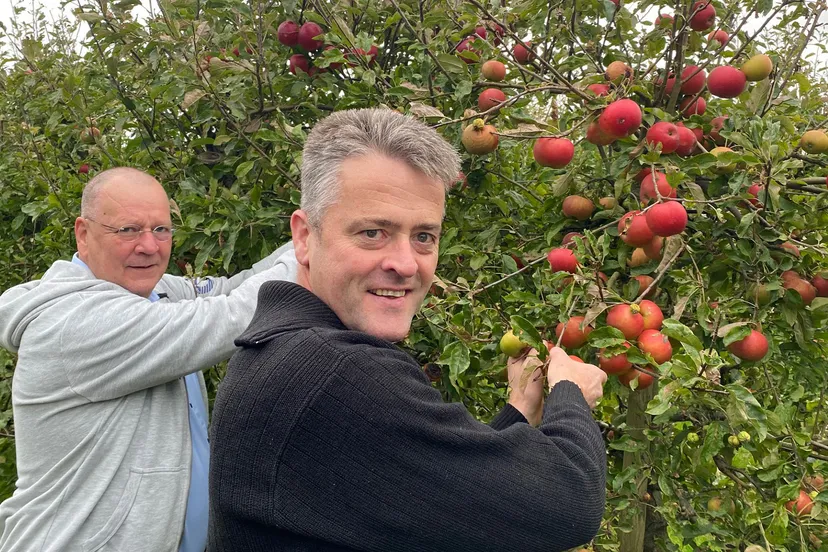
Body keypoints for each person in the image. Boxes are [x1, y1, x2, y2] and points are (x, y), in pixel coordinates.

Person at [207, 108, 608, 552]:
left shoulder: (286, 350)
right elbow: (570, 504)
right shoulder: (338, 373)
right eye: (374, 232)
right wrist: (571, 394)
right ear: (304, 237)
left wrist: (516, 411)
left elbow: (442, 499)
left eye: (424, 237)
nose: (405, 263)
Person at [0, 167, 298, 552]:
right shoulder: (74, 322)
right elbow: (229, 316)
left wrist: (317, 228)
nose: (149, 246)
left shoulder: (155, 293)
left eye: (161, 230)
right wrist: (320, 241)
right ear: (83, 234)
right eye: (127, 230)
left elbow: (231, 290)